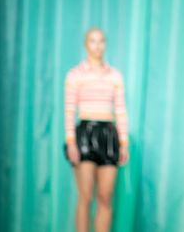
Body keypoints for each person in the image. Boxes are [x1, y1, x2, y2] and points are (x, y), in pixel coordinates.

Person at [64, 27, 129, 232]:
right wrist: (71, 142)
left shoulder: (115, 76)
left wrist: (124, 143)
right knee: (85, 197)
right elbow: (69, 110)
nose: (97, 45)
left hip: (109, 134)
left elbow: (120, 110)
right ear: (85, 44)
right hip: (84, 133)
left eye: (101, 41)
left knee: (105, 197)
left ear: (105, 44)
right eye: (93, 41)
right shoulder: (74, 75)